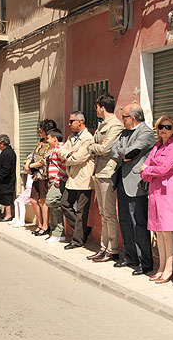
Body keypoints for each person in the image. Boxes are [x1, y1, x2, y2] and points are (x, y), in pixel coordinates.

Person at [110, 103, 155, 275]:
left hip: (137, 184)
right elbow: (113, 152)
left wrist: (122, 154)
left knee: (139, 223)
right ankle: (130, 257)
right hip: (122, 181)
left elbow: (130, 153)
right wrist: (123, 154)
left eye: (124, 117)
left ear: (133, 118)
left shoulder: (146, 133)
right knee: (125, 221)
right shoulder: (124, 133)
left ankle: (145, 262)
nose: (122, 120)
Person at [140, 115, 173, 283]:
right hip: (155, 189)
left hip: (168, 190)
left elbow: (165, 169)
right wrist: (150, 170)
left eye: (167, 127)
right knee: (158, 231)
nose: (163, 130)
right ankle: (161, 267)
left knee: (166, 230)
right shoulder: (156, 146)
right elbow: (142, 170)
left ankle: (169, 268)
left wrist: (149, 169)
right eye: (160, 127)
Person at [87, 94, 124, 262]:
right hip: (99, 171)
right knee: (103, 213)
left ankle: (112, 249)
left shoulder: (115, 125)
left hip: (108, 172)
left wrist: (91, 148)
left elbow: (104, 148)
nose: (95, 110)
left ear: (102, 107)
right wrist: (95, 148)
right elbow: (99, 147)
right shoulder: (103, 125)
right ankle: (104, 248)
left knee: (109, 212)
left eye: (97, 107)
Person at [58, 112, 95, 250]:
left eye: (71, 121)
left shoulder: (88, 139)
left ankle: (78, 240)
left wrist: (68, 155)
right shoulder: (71, 137)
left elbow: (78, 158)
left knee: (81, 211)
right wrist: (70, 154)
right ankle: (83, 230)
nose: (69, 124)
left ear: (80, 121)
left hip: (84, 179)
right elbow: (60, 151)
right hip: (72, 178)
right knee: (64, 204)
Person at [25, 119, 55, 237]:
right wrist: (27, 162)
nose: (39, 130)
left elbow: (44, 160)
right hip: (36, 175)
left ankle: (45, 226)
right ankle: (39, 223)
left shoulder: (50, 143)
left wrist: (31, 165)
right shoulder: (40, 142)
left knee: (43, 201)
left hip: (44, 175)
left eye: (41, 128)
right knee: (33, 200)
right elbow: (32, 154)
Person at [44, 128, 67, 243]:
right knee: (53, 206)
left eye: (48, 138)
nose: (46, 141)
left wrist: (58, 179)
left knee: (51, 201)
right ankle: (56, 233)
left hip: (58, 181)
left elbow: (64, 164)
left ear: (54, 138)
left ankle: (59, 231)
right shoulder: (53, 149)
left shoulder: (60, 149)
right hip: (53, 181)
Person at [0, 134, 17, 222]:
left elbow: (6, 169)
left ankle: (8, 215)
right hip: (4, 181)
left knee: (7, 198)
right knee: (5, 198)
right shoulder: (6, 152)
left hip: (6, 181)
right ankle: (6, 215)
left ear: (2, 143)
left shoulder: (8, 153)